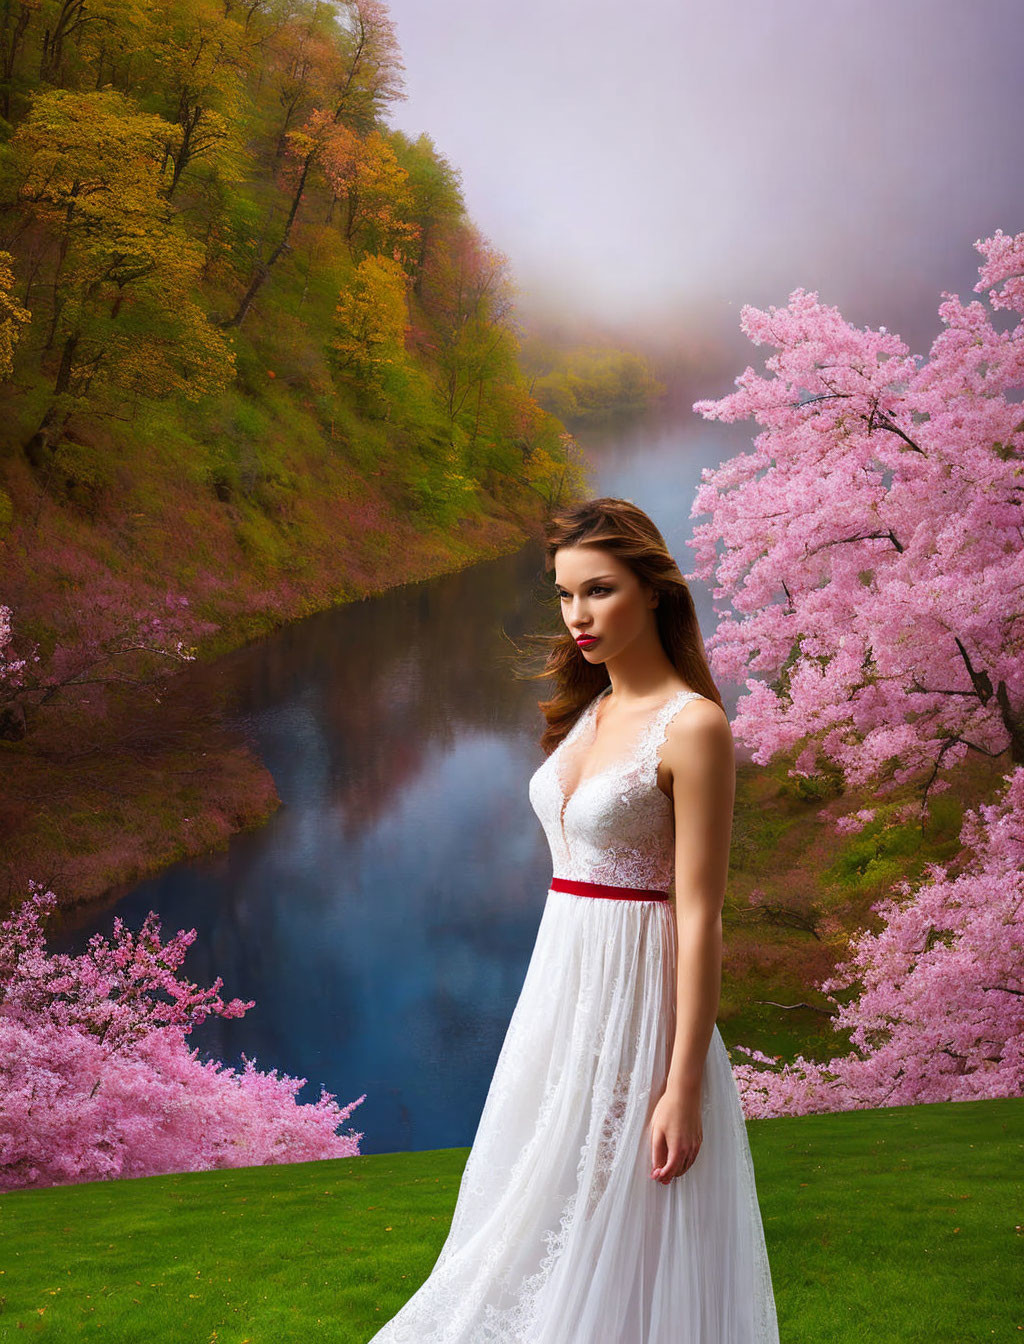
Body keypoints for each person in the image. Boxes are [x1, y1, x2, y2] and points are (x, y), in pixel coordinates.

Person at [366, 498, 780, 1343]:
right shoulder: (590, 711)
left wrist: (684, 1083)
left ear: (656, 591)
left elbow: (700, 915)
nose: (578, 616)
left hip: (638, 1000)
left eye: (599, 591)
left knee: (615, 1213)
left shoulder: (694, 726)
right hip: (562, 989)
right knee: (532, 1209)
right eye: (564, 595)